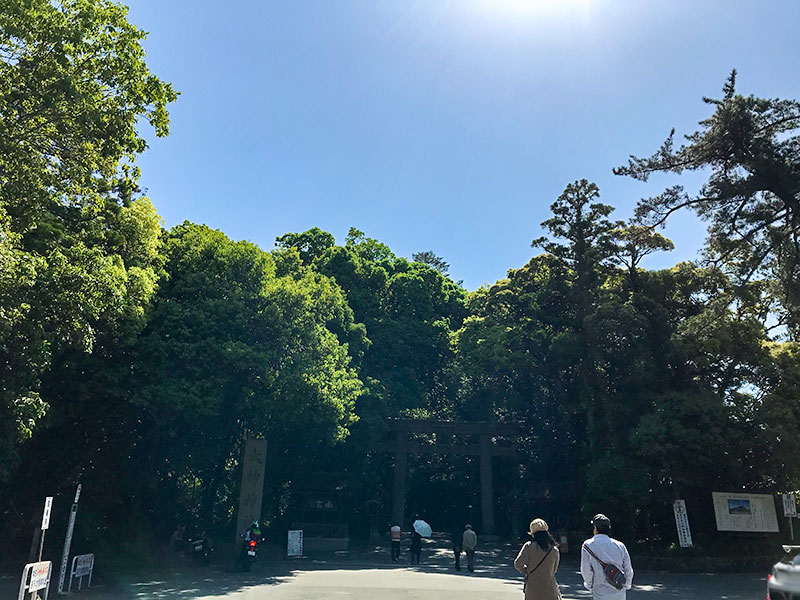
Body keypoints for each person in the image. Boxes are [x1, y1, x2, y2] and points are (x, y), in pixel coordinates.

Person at [580, 514, 634, 599]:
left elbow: (585, 569)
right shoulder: (620, 545)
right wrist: (626, 585)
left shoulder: (588, 545)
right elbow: (628, 569)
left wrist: (590, 585)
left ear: (595, 528)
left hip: (600, 591)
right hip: (619, 591)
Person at [514, 518, 562, 600]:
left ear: (533, 533)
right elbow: (554, 570)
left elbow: (517, 564)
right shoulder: (554, 550)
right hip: (549, 589)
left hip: (532, 589)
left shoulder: (529, 546)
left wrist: (527, 570)